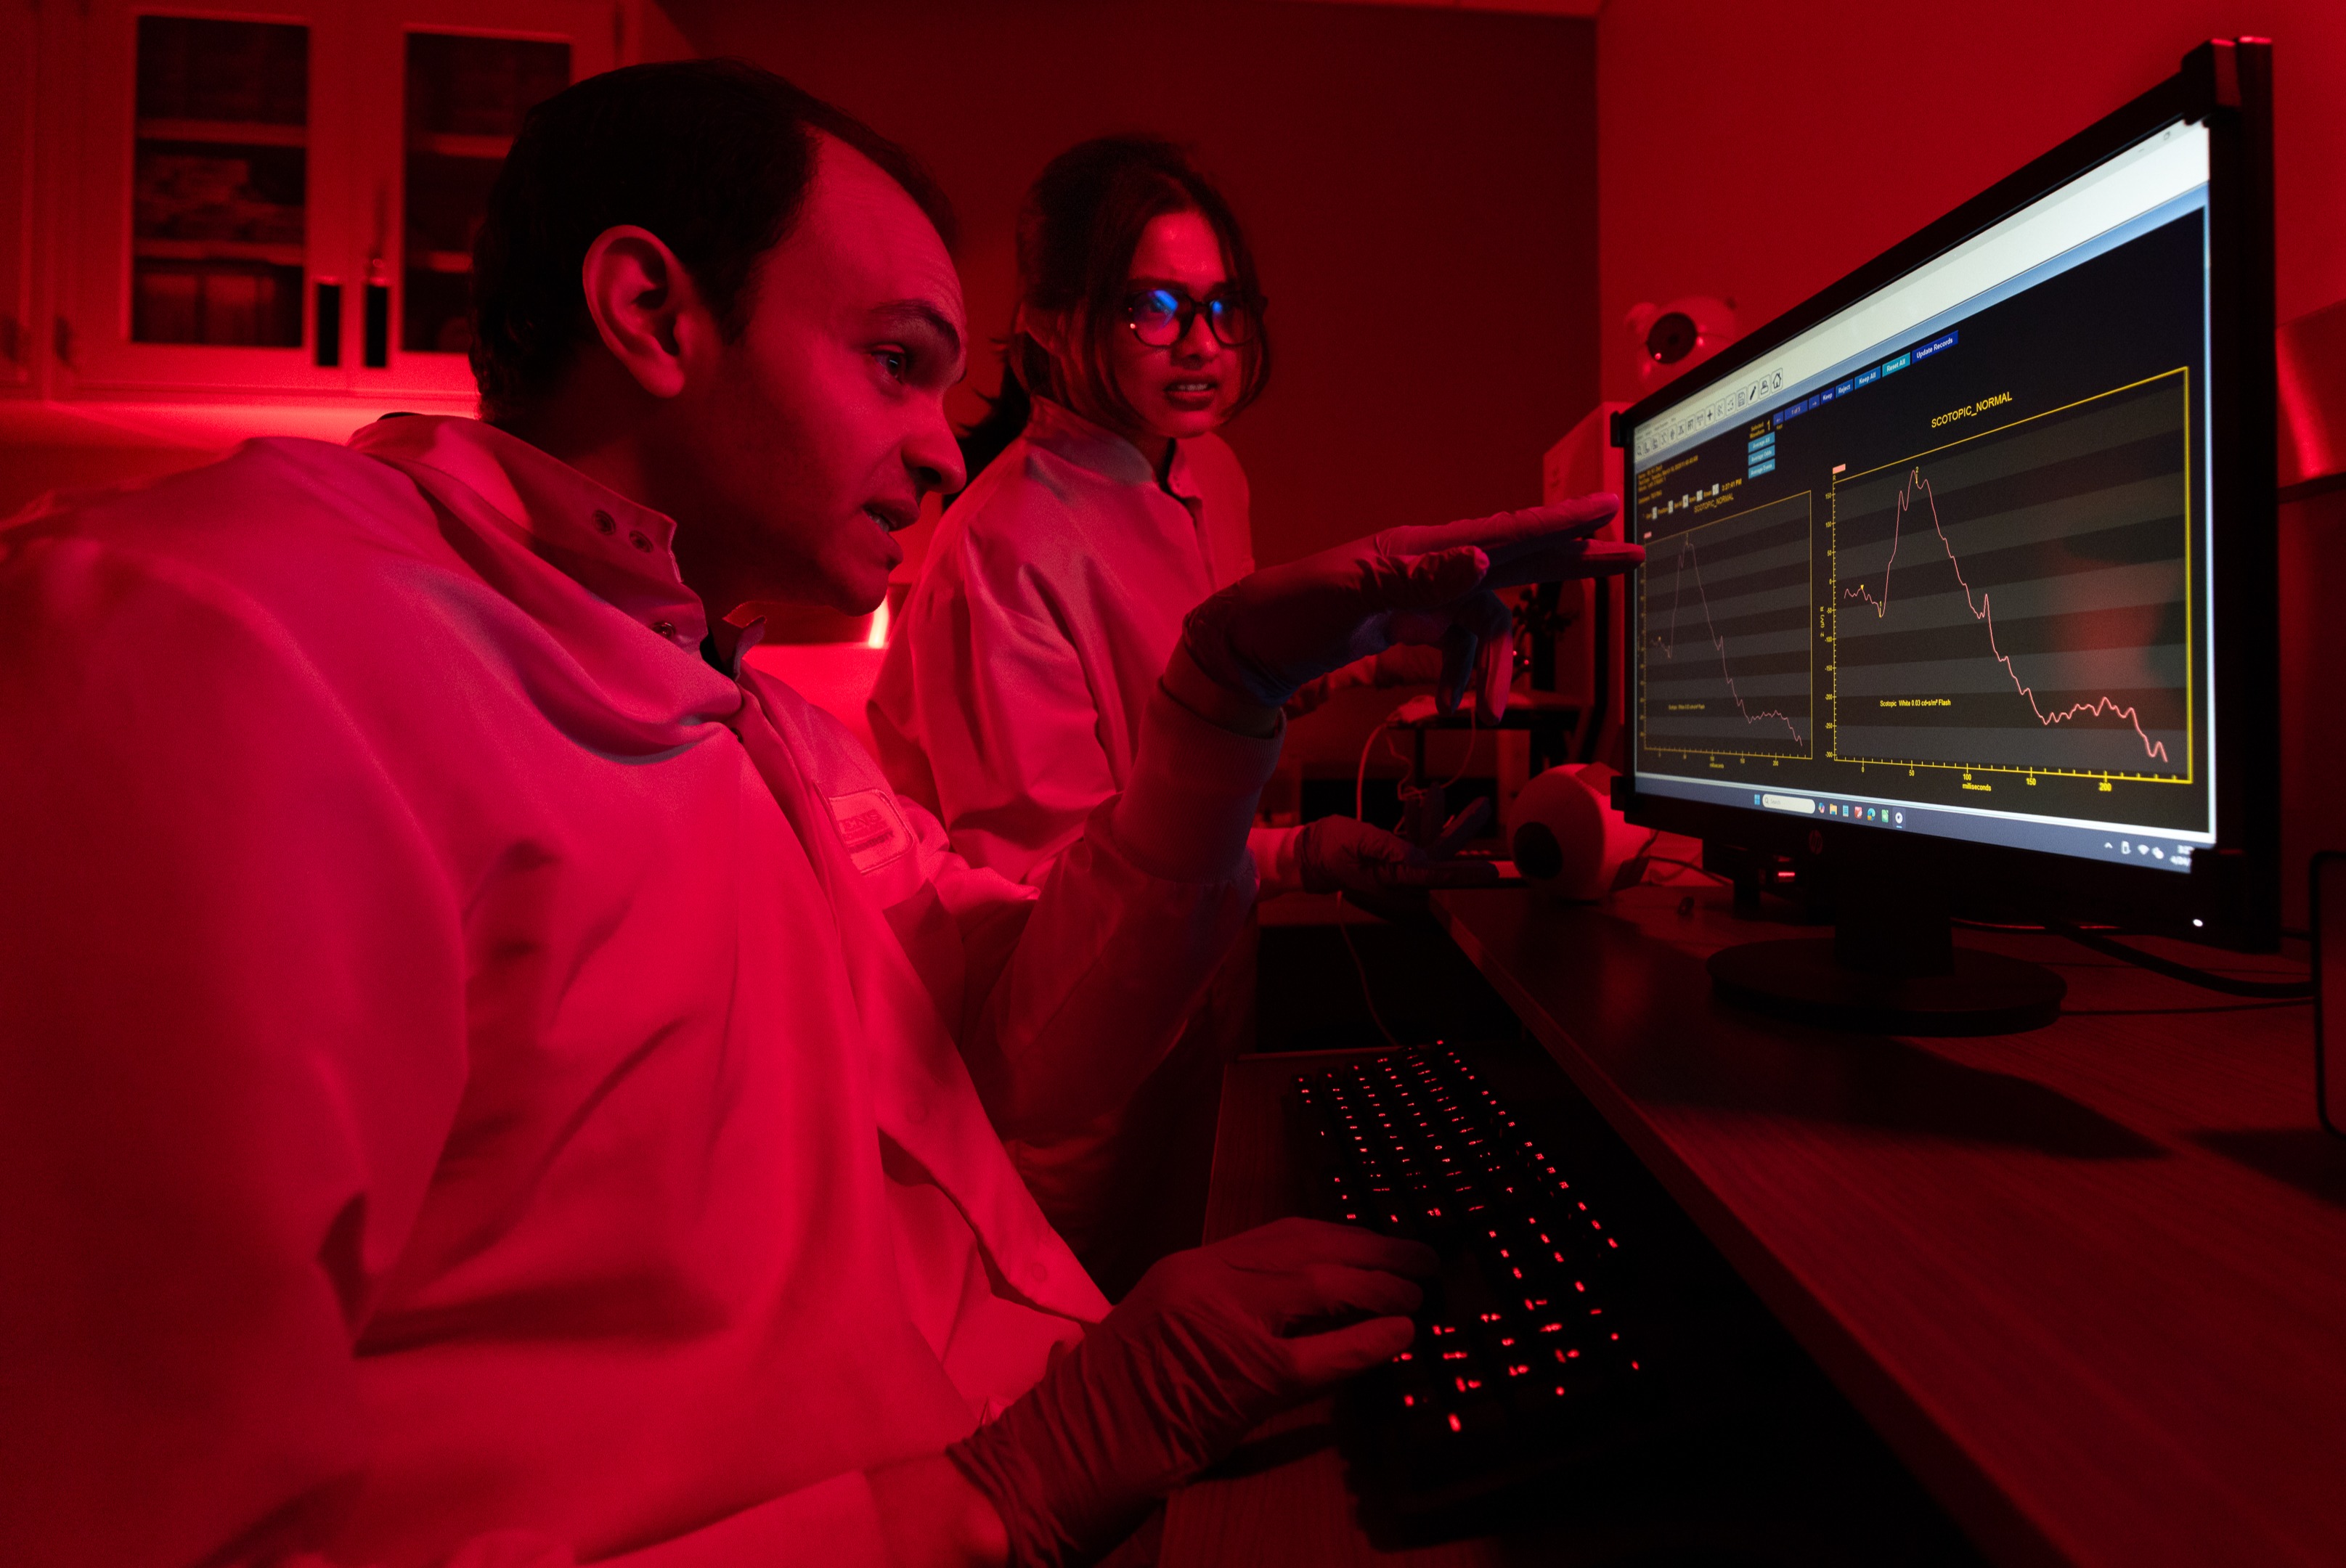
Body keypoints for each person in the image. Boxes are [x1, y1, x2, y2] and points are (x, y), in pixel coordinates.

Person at [0, 61, 1631, 1568]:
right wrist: (998, 1491)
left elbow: (1011, 1034)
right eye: (896, 364)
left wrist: (1220, 704)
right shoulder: (231, 638)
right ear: (652, 311)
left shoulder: (739, 707)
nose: (942, 450)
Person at [871, 139, 1491, 1289]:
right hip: (1067, 1070)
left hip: (1206, 990)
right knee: (1079, 1318)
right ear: (1054, 320)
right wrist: (1299, 853)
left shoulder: (1211, 472)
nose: (1201, 345)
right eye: (1151, 309)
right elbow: (1059, 890)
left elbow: (1200, 692)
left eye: (1220, 306)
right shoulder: (1001, 546)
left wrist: (1375, 650)